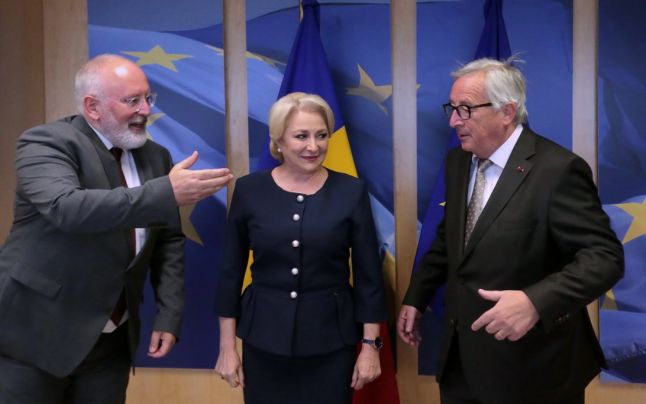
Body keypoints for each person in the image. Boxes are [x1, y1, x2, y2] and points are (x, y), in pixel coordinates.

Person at [0, 54, 233, 403]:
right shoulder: (46, 143)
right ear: (92, 107)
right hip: (35, 336)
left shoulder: (156, 157)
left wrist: (168, 315)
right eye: (132, 100)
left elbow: (168, 239)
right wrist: (166, 192)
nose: (145, 110)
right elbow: (68, 209)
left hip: (112, 340)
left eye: (148, 98)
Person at [398, 58, 624, 404]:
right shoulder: (458, 161)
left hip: (533, 370)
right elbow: (451, 239)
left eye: (465, 109)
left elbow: (605, 258)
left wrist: (535, 302)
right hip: (461, 364)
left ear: (507, 111)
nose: (454, 120)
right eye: (452, 108)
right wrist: (417, 296)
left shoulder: (558, 170)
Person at [214, 92, 387, 404]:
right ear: (278, 141)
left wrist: (370, 347)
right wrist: (227, 347)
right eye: (301, 136)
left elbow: (368, 276)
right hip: (263, 341)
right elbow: (230, 272)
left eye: (321, 135)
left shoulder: (351, 191)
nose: (313, 146)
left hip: (331, 343)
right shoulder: (250, 190)